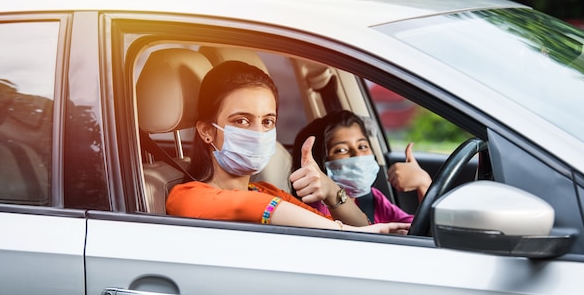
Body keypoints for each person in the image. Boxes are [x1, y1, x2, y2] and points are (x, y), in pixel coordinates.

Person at [166, 61, 410, 234]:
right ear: (207, 132)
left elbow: (359, 229)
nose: (258, 133)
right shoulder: (186, 196)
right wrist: (347, 230)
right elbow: (248, 207)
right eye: (241, 121)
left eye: (267, 121)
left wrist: (331, 191)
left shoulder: (266, 191)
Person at [290, 110, 431, 224]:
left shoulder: (371, 198)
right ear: (320, 161)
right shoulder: (316, 211)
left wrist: (424, 183)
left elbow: (417, 230)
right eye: (341, 150)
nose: (358, 155)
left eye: (362, 146)